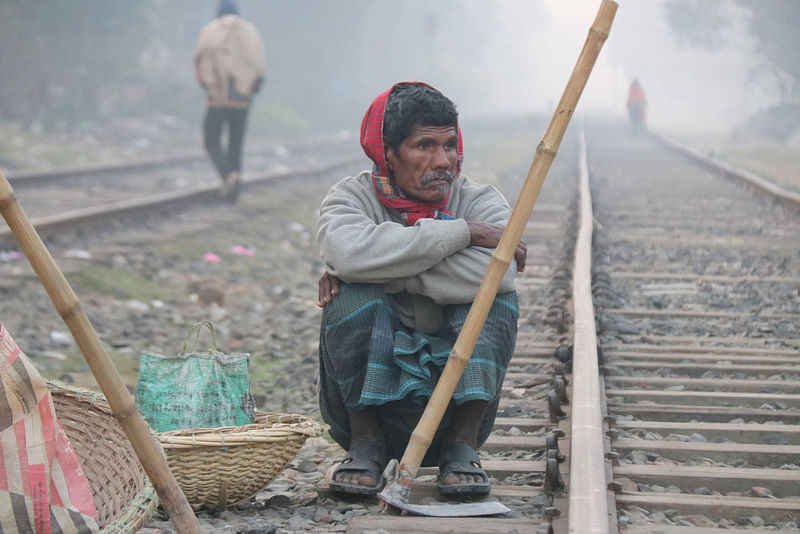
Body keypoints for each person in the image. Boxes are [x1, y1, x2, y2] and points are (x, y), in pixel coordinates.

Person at [315, 82, 526, 498]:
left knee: (496, 300)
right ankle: (366, 445)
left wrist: (381, 268)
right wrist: (463, 234)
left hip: (456, 405)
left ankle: (462, 447)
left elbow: (499, 274)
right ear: (388, 154)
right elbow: (346, 252)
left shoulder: (482, 201)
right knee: (350, 298)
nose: (442, 161)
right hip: (367, 411)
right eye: (424, 146)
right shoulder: (351, 199)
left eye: (450, 145)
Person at [193, 0, 265, 201]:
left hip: (216, 95)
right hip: (242, 97)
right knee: (236, 142)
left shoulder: (209, 31)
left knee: (211, 140)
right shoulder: (250, 31)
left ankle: (228, 175)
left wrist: (207, 85)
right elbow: (258, 63)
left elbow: (198, 60)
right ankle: (234, 188)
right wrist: (252, 85)